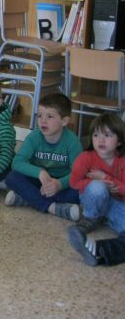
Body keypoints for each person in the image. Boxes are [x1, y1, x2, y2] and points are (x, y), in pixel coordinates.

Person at [3, 93, 82, 221]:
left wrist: (60, 184)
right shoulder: (34, 136)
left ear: (64, 121)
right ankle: (53, 207)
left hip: (61, 183)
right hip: (38, 180)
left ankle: (28, 198)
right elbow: (17, 163)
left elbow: (78, 173)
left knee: (80, 191)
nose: (43, 121)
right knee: (12, 177)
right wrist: (39, 172)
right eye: (40, 115)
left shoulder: (72, 141)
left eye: (50, 116)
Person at [67, 112, 125, 266]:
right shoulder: (86, 157)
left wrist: (106, 178)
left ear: (119, 141)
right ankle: (91, 218)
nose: (100, 139)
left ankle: (98, 251)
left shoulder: (122, 160)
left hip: (116, 204)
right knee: (97, 188)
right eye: (96, 135)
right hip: (93, 200)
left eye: (107, 135)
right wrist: (100, 183)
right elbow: (74, 182)